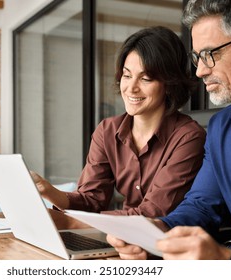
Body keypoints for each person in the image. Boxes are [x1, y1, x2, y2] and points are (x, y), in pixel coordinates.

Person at [107, 0, 231, 260]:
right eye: (197, 57)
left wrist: (228, 258)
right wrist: (158, 231)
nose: (200, 71)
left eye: (211, 54)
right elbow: (201, 206)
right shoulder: (221, 128)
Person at [31, 26, 206, 229]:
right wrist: (48, 191)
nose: (131, 88)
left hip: (167, 245)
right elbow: (92, 200)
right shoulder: (107, 131)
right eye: (126, 75)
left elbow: (153, 213)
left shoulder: (189, 137)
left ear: (169, 84)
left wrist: (72, 222)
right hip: (119, 236)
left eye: (146, 78)